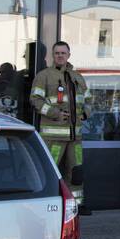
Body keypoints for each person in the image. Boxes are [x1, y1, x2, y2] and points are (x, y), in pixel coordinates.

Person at [31, 41, 92, 215]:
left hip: (75, 137)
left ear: (68, 55)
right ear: (52, 55)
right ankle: (48, 204)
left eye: (63, 53)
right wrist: (54, 113)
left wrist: (85, 114)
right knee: (51, 171)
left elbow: (88, 101)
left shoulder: (78, 77)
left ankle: (77, 205)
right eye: (57, 53)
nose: (60, 56)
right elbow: (35, 100)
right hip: (53, 137)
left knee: (76, 172)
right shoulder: (44, 76)